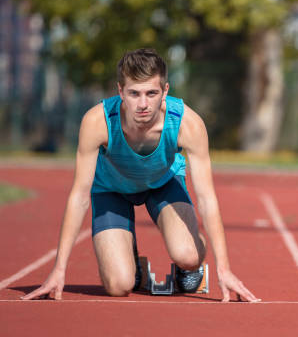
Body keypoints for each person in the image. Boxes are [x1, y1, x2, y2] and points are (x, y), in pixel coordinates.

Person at [22, 48, 259, 302]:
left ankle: (190, 262)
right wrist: (59, 270)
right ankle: (135, 267)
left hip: (163, 183)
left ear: (165, 91)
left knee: (187, 255)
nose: (143, 104)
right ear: (120, 91)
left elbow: (207, 198)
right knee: (119, 286)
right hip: (111, 190)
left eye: (152, 93)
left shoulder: (187, 123)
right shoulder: (97, 121)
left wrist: (224, 268)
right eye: (134, 93)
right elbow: (79, 195)